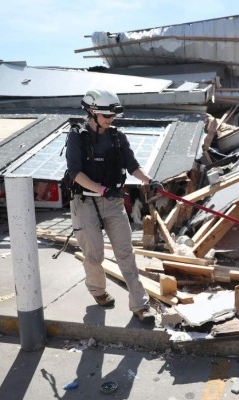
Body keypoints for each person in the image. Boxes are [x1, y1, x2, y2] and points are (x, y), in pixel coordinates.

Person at [65, 89, 163, 321]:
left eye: (113, 117)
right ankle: (98, 291)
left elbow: (133, 165)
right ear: (91, 112)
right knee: (95, 255)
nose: (111, 121)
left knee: (126, 254)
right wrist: (101, 190)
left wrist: (149, 180)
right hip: (85, 201)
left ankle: (140, 306)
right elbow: (75, 172)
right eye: (106, 116)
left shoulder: (117, 137)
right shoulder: (77, 135)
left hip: (113, 201)